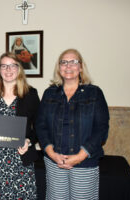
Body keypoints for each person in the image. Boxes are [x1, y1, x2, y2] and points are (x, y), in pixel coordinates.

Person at [36, 48, 109, 199]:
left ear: (81, 67)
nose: (68, 66)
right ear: (59, 67)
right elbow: (40, 125)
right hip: (54, 162)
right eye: (64, 62)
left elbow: (101, 129)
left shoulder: (94, 93)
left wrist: (80, 156)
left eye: (73, 62)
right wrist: (51, 153)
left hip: (85, 163)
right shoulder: (49, 93)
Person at [0, 52, 40, 199]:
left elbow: (39, 126)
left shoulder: (30, 94)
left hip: (21, 160)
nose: (8, 70)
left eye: (13, 65)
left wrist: (29, 141)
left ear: (19, 69)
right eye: (4, 66)